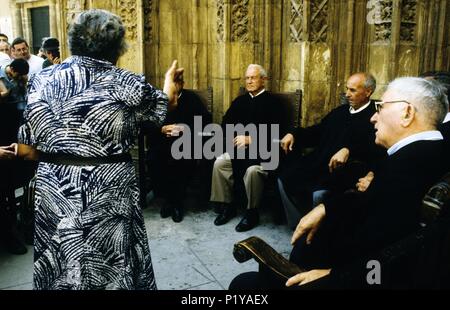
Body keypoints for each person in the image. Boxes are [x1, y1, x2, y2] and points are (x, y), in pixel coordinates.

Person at [1, 9, 183, 290]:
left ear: (73, 42)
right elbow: (164, 108)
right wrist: (171, 83)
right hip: (107, 188)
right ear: (118, 48)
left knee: (63, 260)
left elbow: (27, 145)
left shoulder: (41, 80)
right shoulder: (129, 83)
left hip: (55, 186)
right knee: (112, 262)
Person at [229, 77, 448, 289]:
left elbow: (401, 256)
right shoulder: (423, 154)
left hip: (347, 277)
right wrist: (326, 208)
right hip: (343, 259)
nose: (373, 117)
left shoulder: (411, 166)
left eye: (380, 108)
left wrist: (334, 276)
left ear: (407, 113)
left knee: (243, 285)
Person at [277, 72, 385, 230]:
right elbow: (317, 131)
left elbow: (376, 147)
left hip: (346, 169)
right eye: (347, 89)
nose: (347, 94)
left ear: (368, 92)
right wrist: (294, 133)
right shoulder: (339, 112)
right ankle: (298, 224)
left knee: (320, 193)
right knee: (283, 177)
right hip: (318, 161)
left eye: (353, 90)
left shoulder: (375, 117)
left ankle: (317, 231)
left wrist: (349, 150)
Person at [211, 64, 289, 232]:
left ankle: (251, 212)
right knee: (220, 163)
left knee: (253, 171)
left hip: (265, 152)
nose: (249, 81)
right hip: (239, 150)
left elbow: (279, 133)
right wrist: (232, 134)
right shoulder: (240, 101)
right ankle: (227, 205)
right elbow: (226, 123)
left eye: (253, 77)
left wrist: (252, 139)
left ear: (264, 79)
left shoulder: (274, 103)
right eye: (247, 78)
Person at [144, 74, 212, 222]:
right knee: (154, 159)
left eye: (178, 82)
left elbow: (206, 122)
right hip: (162, 142)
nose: (175, 85)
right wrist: (162, 129)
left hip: (185, 142)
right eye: (173, 82)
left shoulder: (191, 99)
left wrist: (184, 128)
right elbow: (146, 123)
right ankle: (168, 199)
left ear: (182, 83)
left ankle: (177, 203)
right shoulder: (158, 100)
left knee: (181, 160)